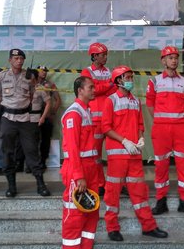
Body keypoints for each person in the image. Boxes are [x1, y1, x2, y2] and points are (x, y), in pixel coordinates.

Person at [102, 65, 168, 242]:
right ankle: (112, 228)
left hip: (134, 155)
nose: (131, 80)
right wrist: (124, 141)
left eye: (131, 77)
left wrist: (140, 140)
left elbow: (140, 125)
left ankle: (149, 227)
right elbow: (105, 127)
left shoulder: (136, 101)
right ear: (118, 81)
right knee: (113, 192)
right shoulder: (111, 100)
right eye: (127, 77)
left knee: (140, 192)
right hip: (117, 155)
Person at [146, 46, 184, 216]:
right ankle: (161, 202)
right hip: (161, 129)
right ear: (163, 61)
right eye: (170, 57)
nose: (174, 60)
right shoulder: (154, 81)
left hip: (180, 128)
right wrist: (161, 120)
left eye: (176, 57)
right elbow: (149, 104)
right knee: (161, 165)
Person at [0, 49, 51, 198]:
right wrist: (3, 106)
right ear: (10, 60)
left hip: (25, 118)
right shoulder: (0, 76)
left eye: (21, 58)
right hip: (8, 118)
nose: (19, 61)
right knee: (8, 152)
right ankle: (11, 186)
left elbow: (32, 94)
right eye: (16, 58)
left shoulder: (30, 76)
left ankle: (40, 184)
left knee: (32, 151)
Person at [60, 76, 100, 249]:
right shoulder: (74, 113)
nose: (94, 90)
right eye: (90, 87)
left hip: (89, 168)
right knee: (74, 216)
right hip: (78, 168)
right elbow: (74, 149)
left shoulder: (86, 111)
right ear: (80, 90)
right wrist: (79, 176)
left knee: (91, 214)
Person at [81, 42, 117, 196]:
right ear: (94, 56)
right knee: (95, 156)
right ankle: (100, 184)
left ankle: (115, 183)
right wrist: (108, 84)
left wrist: (105, 86)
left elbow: (114, 89)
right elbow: (94, 90)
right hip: (95, 121)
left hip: (110, 120)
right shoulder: (86, 72)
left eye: (106, 54)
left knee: (114, 154)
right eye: (103, 55)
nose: (105, 57)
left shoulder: (108, 71)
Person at [37, 66, 62, 169]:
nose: (44, 72)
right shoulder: (32, 83)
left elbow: (58, 100)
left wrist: (53, 112)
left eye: (45, 71)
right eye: (41, 71)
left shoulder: (50, 85)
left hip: (46, 115)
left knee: (45, 139)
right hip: (33, 115)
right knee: (31, 139)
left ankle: (43, 161)